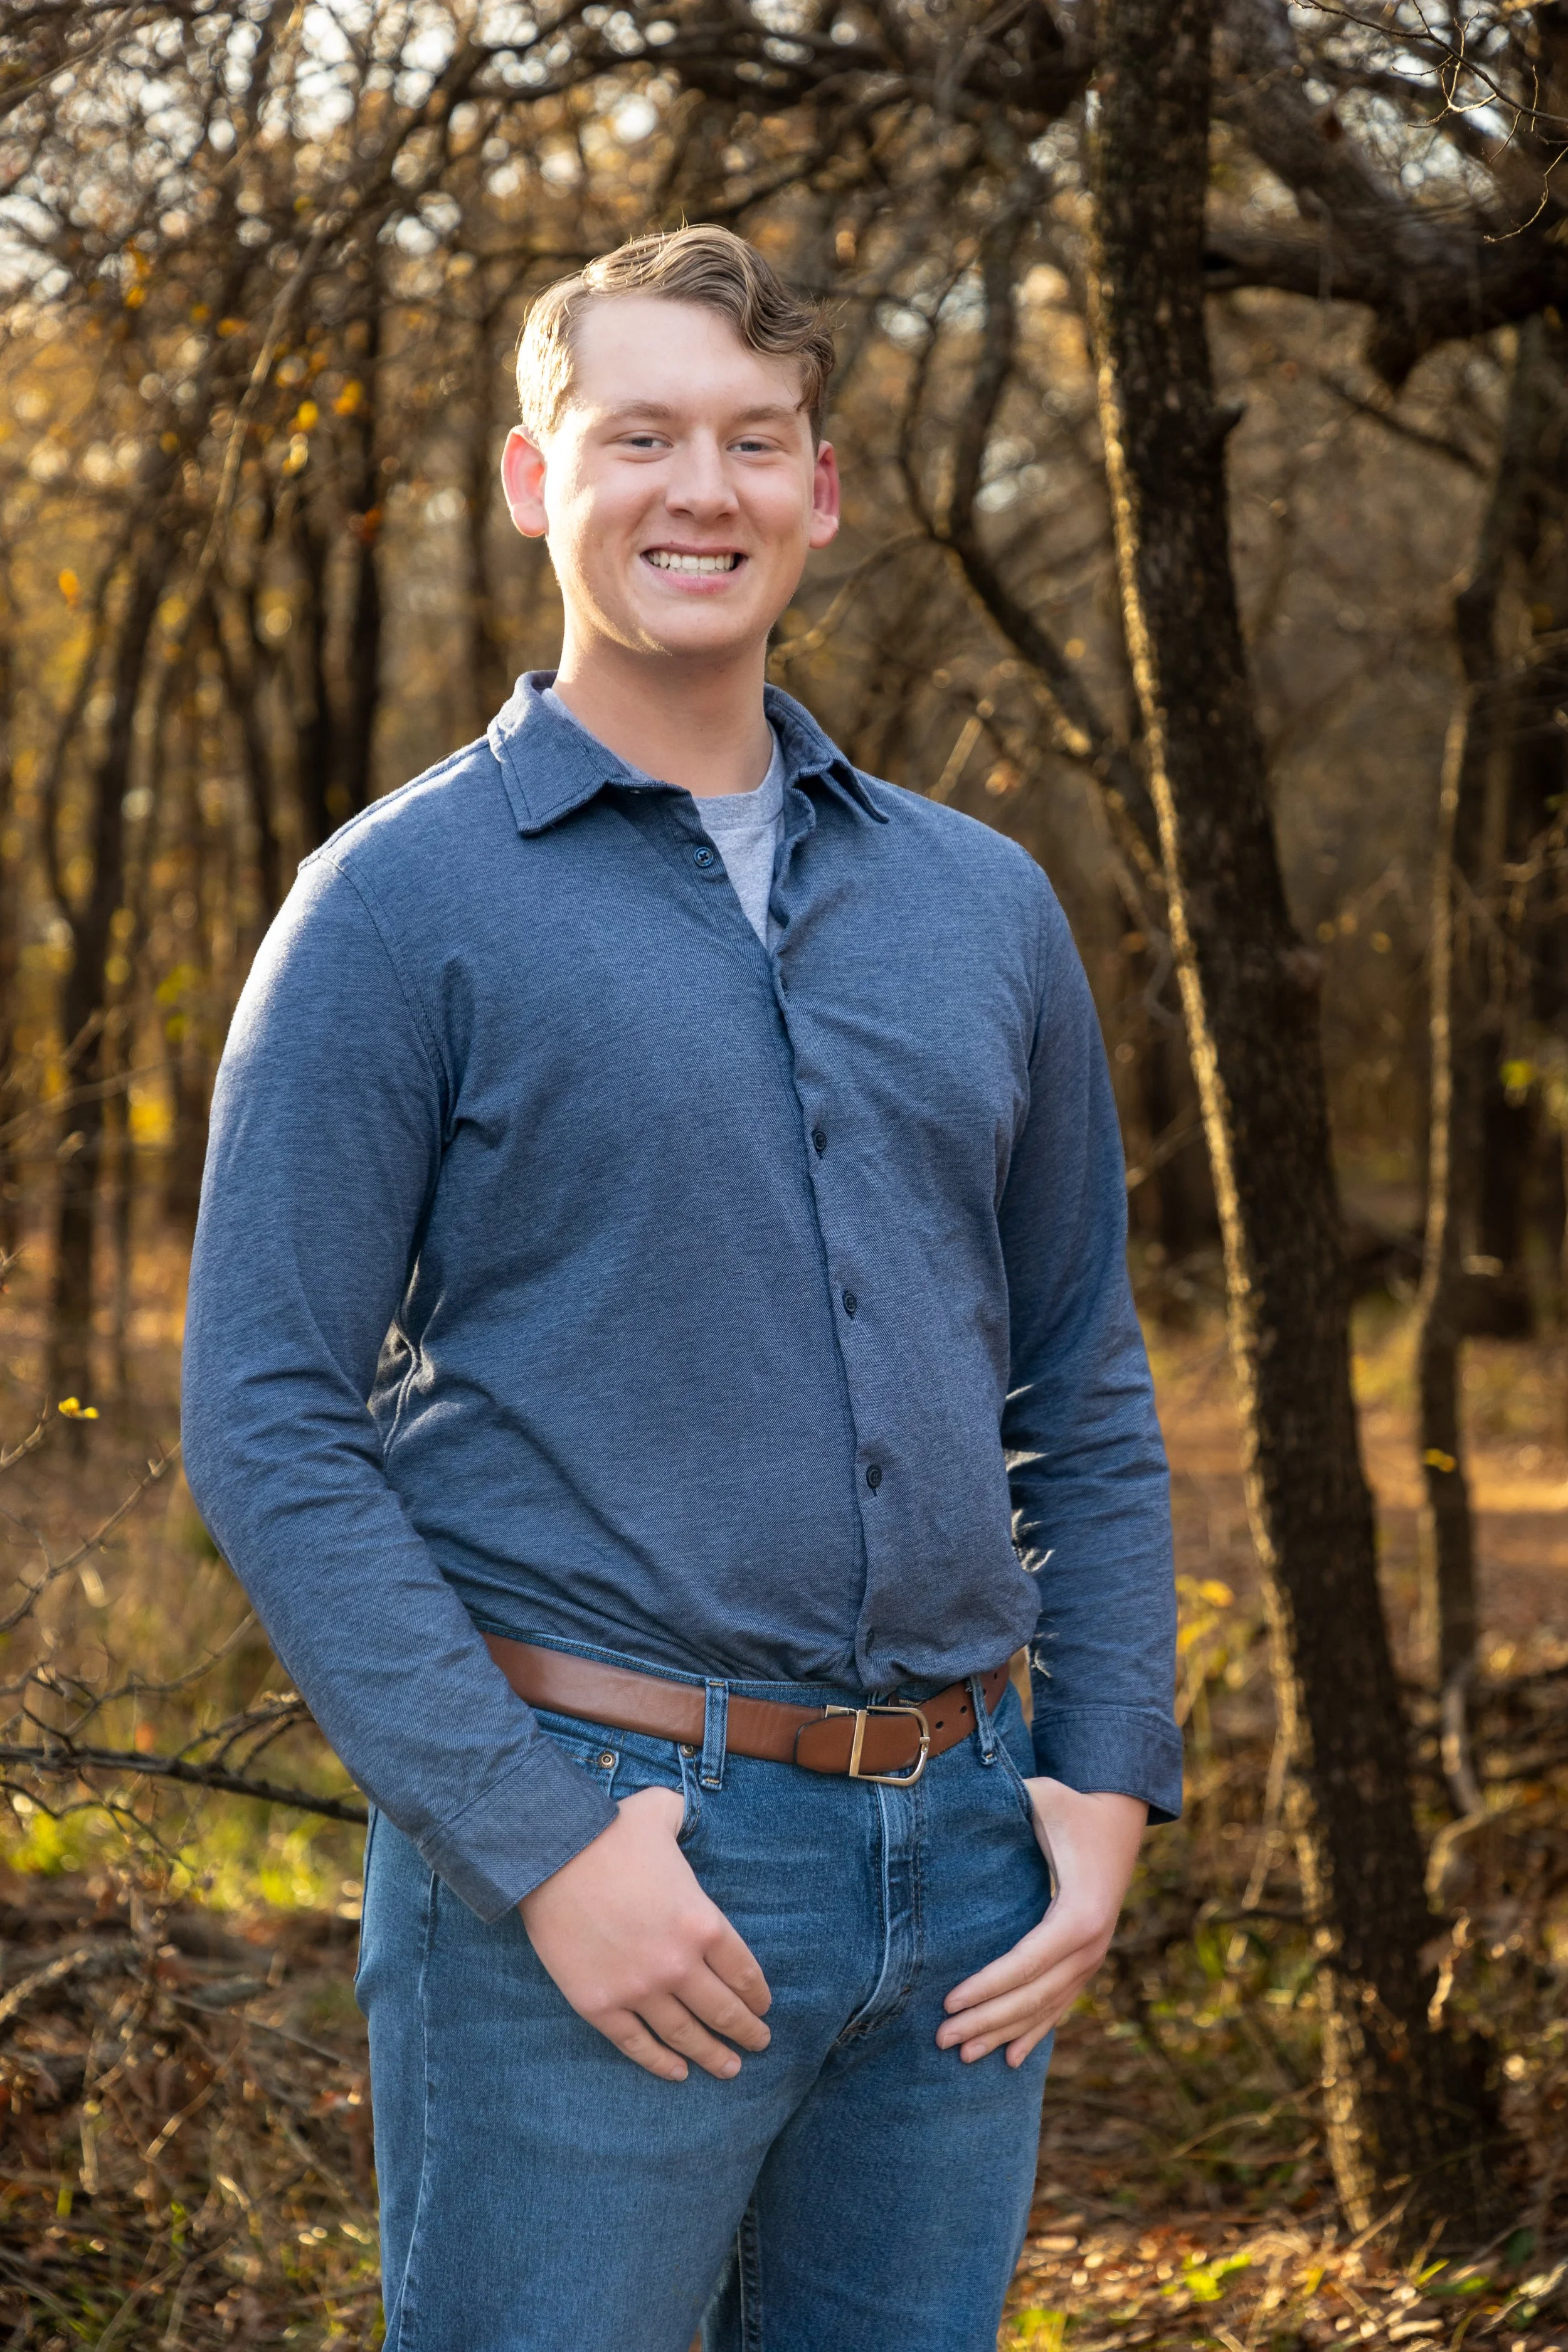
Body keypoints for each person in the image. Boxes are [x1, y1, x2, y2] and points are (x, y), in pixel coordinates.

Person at [181, 224, 1180, 2352]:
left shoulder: (977, 904)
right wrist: (540, 1846)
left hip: (971, 1870)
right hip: (604, 1859)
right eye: (640, 435)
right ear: (538, 479)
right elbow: (267, 1411)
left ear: (822, 491)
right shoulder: (392, 903)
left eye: (754, 440)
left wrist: (1098, 1778)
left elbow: (1079, 1372)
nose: (697, 492)